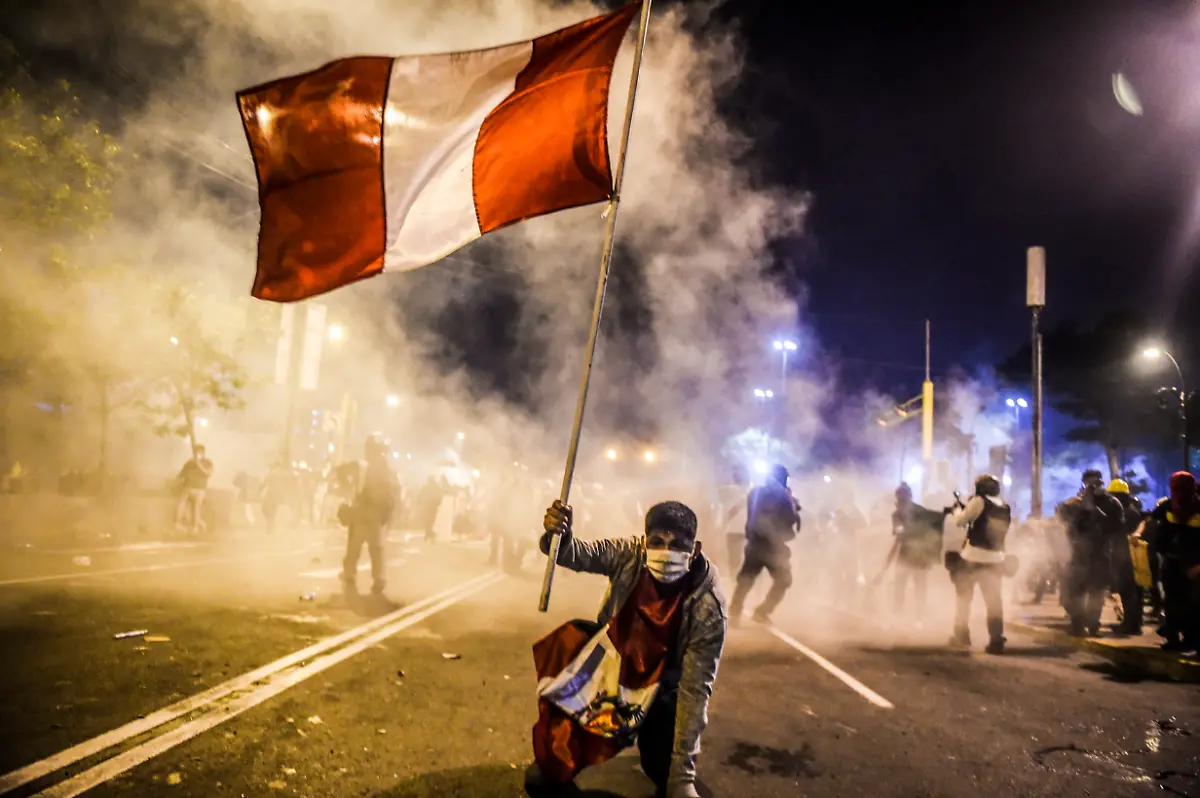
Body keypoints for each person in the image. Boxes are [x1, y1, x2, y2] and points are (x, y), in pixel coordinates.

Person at [527, 499, 725, 798]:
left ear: (694, 550)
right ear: (645, 543)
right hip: (609, 672)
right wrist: (559, 535)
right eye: (657, 542)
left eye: (677, 545)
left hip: (661, 686)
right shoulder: (628, 555)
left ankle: (661, 759)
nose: (666, 553)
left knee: (668, 776)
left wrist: (681, 776)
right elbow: (577, 555)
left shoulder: (707, 607)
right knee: (544, 778)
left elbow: (695, 690)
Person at [944, 474, 1012, 654]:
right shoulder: (1004, 506)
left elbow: (960, 521)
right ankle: (996, 639)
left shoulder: (978, 501)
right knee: (994, 602)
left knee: (964, 598)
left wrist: (956, 511)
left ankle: (962, 634)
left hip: (973, 557)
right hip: (996, 559)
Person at [728, 464, 800, 625]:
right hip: (772, 546)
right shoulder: (782, 495)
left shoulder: (756, 492)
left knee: (746, 578)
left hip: (754, 543)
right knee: (784, 580)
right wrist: (791, 503)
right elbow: (789, 519)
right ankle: (762, 612)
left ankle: (734, 612)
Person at [1057, 470, 1125, 637]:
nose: (1092, 486)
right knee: (1075, 592)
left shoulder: (1111, 503)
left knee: (1097, 592)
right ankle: (1077, 625)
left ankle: (1093, 625)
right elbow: (1062, 517)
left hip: (1100, 555)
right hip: (1078, 555)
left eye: (1096, 482)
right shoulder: (1076, 502)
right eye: (1088, 482)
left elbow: (1116, 527)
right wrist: (1080, 504)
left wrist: (1094, 509)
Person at [1148, 472, 1200, 653]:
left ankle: (1193, 641)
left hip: (1194, 567)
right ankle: (1173, 639)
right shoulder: (1167, 507)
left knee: (1194, 604)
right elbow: (1150, 522)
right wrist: (1139, 534)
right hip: (1171, 564)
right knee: (1172, 602)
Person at [340, 435, 397, 601]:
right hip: (375, 516)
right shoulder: (386, 469)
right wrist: (386, 516)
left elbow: (339, 471)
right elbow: (392, 495)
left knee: (354, 548)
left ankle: (350, 575)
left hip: (360, 512)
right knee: (376, 549)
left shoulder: (360, 465)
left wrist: (347, 488)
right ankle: (379, 579)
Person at [876, 483, 943, 622]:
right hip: (908, 556)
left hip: (919, 557)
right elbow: (898, 541)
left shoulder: (918, 513)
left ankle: (916, 618)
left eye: (903, 499)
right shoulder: (898, 515)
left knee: (916, 588)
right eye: (899, 499)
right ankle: (902, 616)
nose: (901, 502)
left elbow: (931, 535)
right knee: (904, 588)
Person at [1106, 478, 1144, 635]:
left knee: (1128, 591)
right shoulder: (1133, 511)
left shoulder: (1122, 512)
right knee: (1133, 591)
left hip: (1125, 557)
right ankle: (1133, 622)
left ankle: (1131, 624)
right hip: (1134, 557)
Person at [174, 445, 213, 538]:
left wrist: (200, 466)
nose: (197, 454)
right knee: (181, 504)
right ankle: (178, 523)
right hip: (188, 487)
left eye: (199, 453)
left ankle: (195, 527)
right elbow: (182, 474)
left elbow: (208, 473)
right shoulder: (189, 463)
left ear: (203, 453)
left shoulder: (207, 462)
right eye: (196, 452)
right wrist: (177, 481)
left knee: (196, 507)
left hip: (200, 488)